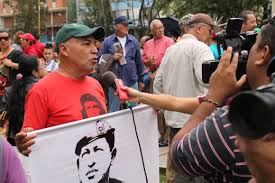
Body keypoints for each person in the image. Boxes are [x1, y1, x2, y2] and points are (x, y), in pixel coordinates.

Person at [171, 23, 275, 182]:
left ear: (263, 54)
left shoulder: (242, 117)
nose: (238, 143)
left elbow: (180, 157)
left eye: (253, 46)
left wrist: (213, 96)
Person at [15, 23, 107, 156]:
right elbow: (29, 146)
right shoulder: (41, 91)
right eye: (87, 44)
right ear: (64, 49)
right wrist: (23, 145)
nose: (95, 50)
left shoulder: (96, 85)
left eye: (95, 44)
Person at [153, 13, 214, 183]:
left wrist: (168, 110)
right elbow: (208, 80)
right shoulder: (201, 48)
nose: (211, 35)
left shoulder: (171, 49)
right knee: (197, 174)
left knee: (178, 173)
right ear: (200, 29)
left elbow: (158, 83)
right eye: (210, 30)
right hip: (196, 124)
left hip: (174, 124)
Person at [98, 16, 145, 112]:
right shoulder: (108, 41)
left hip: (131, 80)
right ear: (116, 26)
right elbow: (100, 59)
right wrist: (112, 57)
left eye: (128, 24)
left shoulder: (133, 41)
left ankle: (131, 127)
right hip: (115, 82)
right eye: (124, 25)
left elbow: (138, 61)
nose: (127, 27)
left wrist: (141, 79)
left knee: (133, 110)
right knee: (114, 110)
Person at [3, 56, 47, 146]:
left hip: (14, 138)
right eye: (42, 66)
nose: (44, 68)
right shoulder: (43, 88)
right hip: (37, 138)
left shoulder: (10, 90)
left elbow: (3, 116)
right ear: (34, 72)